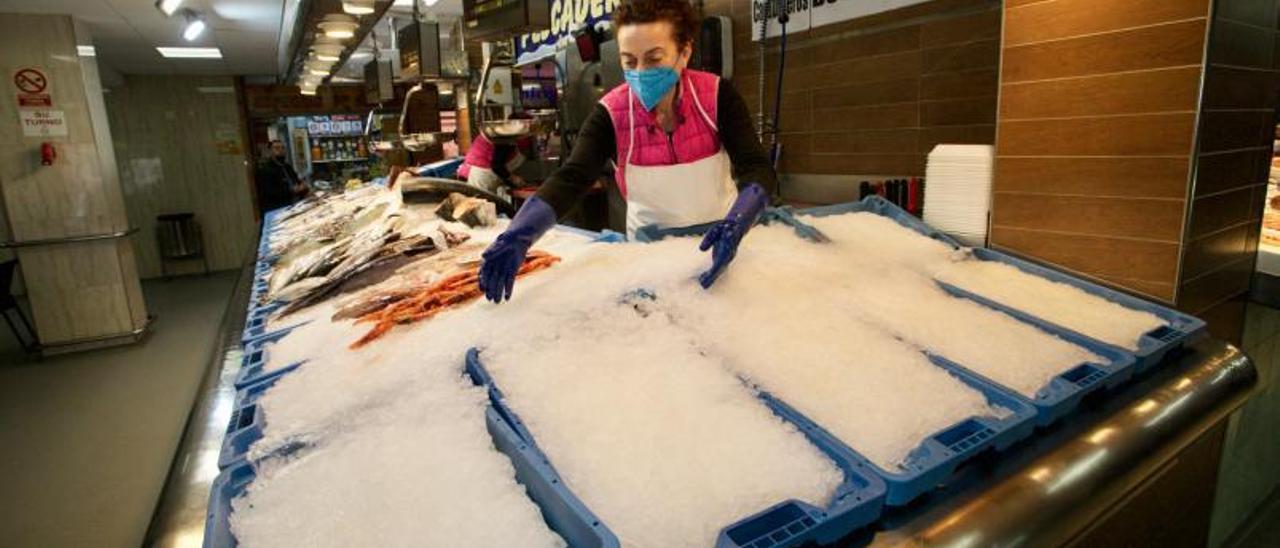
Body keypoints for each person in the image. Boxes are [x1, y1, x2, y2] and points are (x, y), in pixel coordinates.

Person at [478, 0, 777, 302]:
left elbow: (757, 167)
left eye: (654, 58)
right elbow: (572, 177)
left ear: (684, 52)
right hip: (648, 258)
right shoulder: (610, 113)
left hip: (719, 246)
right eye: (629, 62)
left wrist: (738, 221)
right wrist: (519, 234)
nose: (641, 71)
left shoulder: (716, 96)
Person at [457, 133, 531, 202]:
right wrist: (513, 178)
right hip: (481, 176)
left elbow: (500, 166)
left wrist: (511, 181)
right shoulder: (505, 136)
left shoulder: (508, 138)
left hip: (486, 175)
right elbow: (497, 166)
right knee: (481, 208)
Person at [255, 140, 308, 216]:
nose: (281, 151)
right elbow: (269, 192)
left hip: (294, 206)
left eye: (283, 148)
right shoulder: (265, 170)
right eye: (276, 148)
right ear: (270, 151)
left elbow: (297, 182)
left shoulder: (287, 167)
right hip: (277, 209)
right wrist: (292, 190)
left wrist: (305, 189)